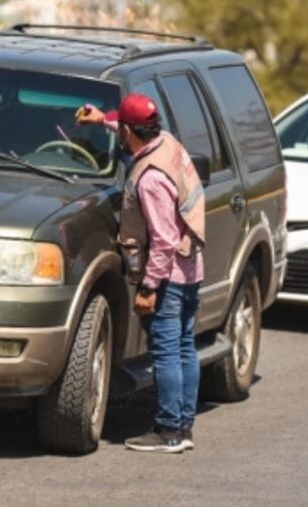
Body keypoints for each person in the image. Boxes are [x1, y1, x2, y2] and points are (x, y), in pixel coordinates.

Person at [77, 93, 206, 454]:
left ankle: (168, 432)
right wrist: (103, 119)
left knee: (165, 351)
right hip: (191, 268)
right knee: (183, 346)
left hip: (168, 276)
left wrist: (149, 287)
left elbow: (163, 240)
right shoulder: (165, 142)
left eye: (123, 127)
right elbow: (128, 127)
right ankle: (182, 426)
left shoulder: (150, 178)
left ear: (131, 132)